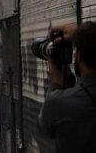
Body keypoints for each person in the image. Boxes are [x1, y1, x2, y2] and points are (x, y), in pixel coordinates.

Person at [38, 21, 96, 152]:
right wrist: (82, 35)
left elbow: (44, 127)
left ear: (79, 56)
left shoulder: (59, 102)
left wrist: (56, 82)